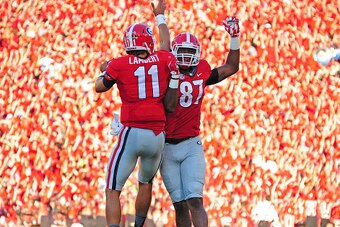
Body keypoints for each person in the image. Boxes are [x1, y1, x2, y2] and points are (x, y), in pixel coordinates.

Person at [152, 1, 240, 226]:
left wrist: (234, 38)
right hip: (167, 146)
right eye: (182, 51)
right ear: (174, 51)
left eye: (191, 52)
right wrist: (160, 17)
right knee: (179, 204)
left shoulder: (201, 70)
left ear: (198, 54)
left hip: (191, 145)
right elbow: (164, 41)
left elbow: (231, 67)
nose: (186, 56)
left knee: (195, 201)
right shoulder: (166, 67)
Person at [94, 7, 180, 226]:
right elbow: (165, 44)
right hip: (157, 134)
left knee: (113, 189)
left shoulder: (119, 64)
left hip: (132, 131)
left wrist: (105, 72)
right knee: (146, 182)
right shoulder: (162, 59)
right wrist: (160, 15)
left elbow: (99, 87)